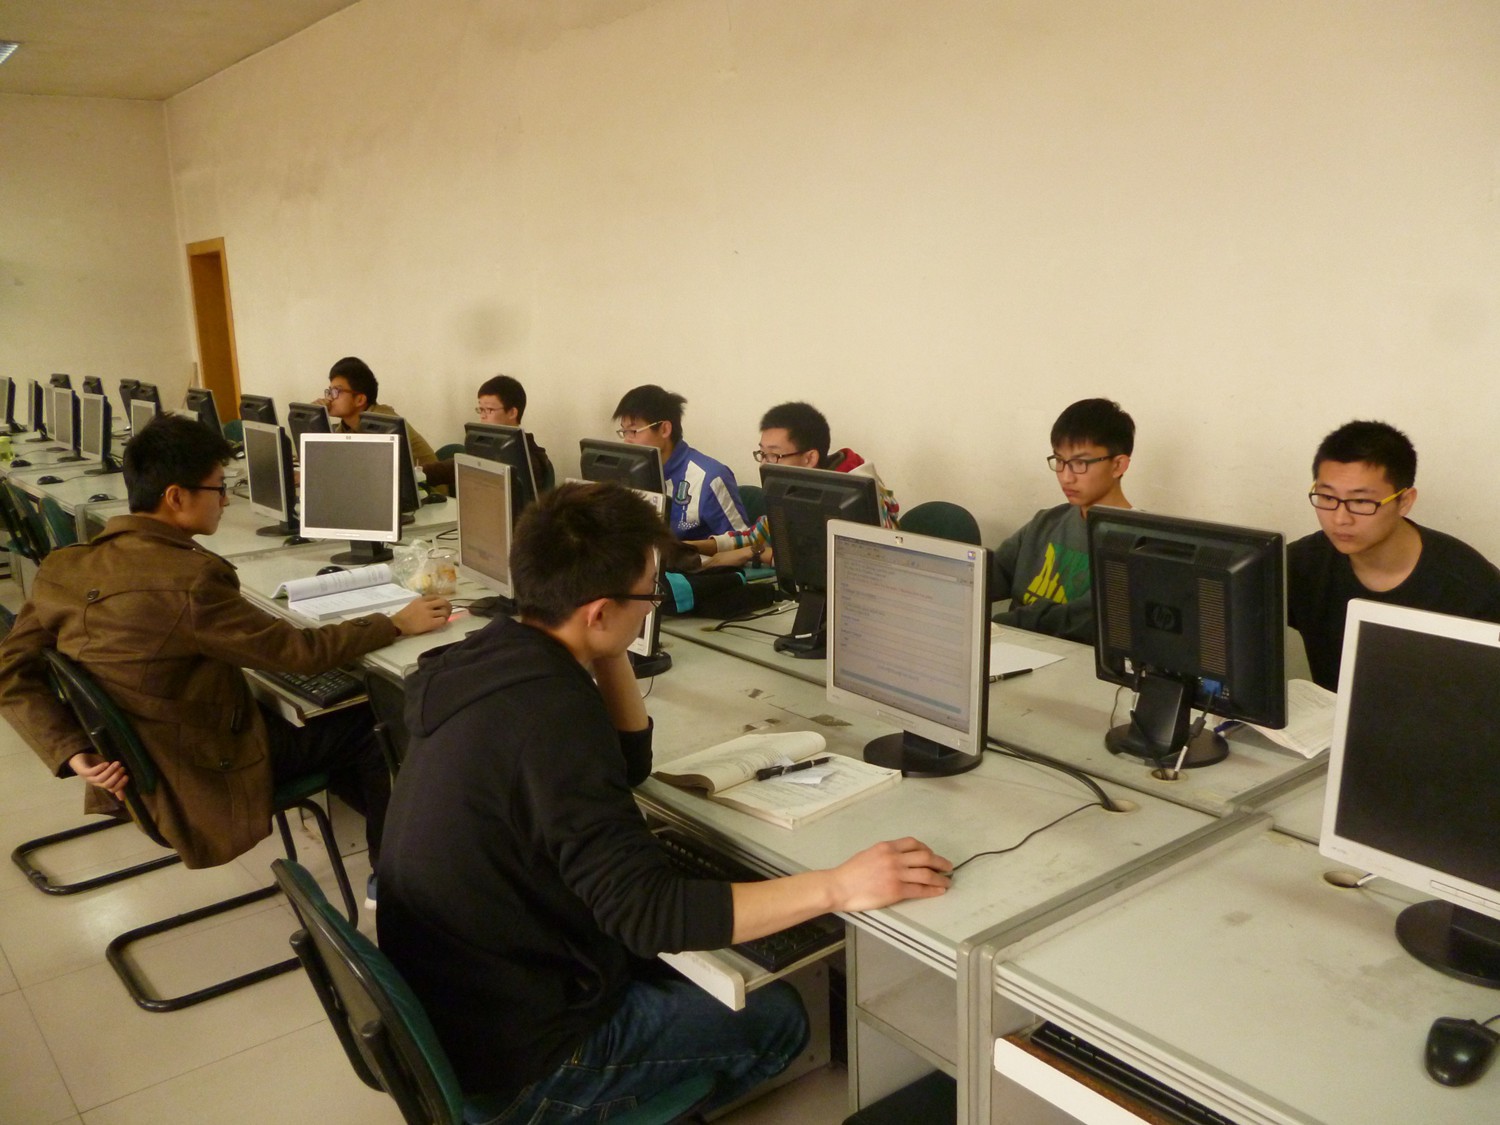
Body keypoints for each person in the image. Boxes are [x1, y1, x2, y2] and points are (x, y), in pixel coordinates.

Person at [378, 481, 951, 1120]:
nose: (653, 606)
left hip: (459, 1003)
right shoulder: (549, 719)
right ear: (598, 611)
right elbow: (649, 914)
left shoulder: (491, 654)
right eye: (648, 595)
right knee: (780, 1019)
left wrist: (606, 649)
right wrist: (839, 886)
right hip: (523, 1064)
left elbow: (627, 765)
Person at [0, 415, 452, 880]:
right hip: (199, 768)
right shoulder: (190, 579)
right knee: (376, 722)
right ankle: (390, 881)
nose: (225, 500)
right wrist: (394, 623)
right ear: (176, 496)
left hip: (144, 756)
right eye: (218, 489)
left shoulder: (64, 567)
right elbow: (300, 653)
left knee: (325, 706)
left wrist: (71, 750)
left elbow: (10, 668)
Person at [1288, 419, 1500, 690]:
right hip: (1331, 715)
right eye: (1327, 498)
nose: (1340, 519)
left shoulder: (1472, 588)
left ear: (1405, 501)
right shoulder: (1302, 564)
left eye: (1361, 501)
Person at [685, 400, 899, 569]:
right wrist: (689, 547)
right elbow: (756, 536)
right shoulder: (795, 487)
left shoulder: (861, 495)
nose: (764, 464)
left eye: (774, 455)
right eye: (762, 453)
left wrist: (756, 553)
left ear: (809, 458)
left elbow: (862, 565)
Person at [990, 397, 1134, 643]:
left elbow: (1080, 620)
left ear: (1118, 465)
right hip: (1016, 646)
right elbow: (990, 576)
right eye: (1059, 461)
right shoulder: (1046, 522)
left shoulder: (1137, 545)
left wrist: (995, 626)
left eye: (1080, 463)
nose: (1066, 477)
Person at [613, 383, 748, 539]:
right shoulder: (629, 475)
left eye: (633, 431)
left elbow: (744, 541)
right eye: (624, 431)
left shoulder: (709, 477)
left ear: (665, 429)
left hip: (696, 555)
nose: (627, 441)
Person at [423, 373, 553, 493]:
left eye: (489, 410)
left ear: (512, 413)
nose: (483, 416)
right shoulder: (486, 445)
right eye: (481, 409)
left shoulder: (529, 460)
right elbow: (450, 468)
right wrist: (417, 474)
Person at [318, 356, 438, 470]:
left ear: (360, 399)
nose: (329, 398)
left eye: (336, 391)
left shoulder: (384, 423)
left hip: (427, 483)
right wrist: (317, 418)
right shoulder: (346, 426)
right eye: (329, 391)